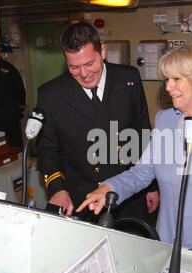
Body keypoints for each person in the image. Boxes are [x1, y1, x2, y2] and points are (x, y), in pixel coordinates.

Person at [78, 43, 192, 261]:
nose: (168, 87)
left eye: (176, 79)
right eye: (166, 80)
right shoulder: (165, 120)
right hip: (169, 238)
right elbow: (142, 172)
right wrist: (109, 187)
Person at [36, 22, 159, 224]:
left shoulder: (129, 78)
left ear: (102, 51)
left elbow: (142, 133)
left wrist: (152, 186)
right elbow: (48, 151)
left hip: (127, 195)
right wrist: (58, 189)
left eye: (89, 63)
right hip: (81, 199)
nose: (84, 74)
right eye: (74, 67)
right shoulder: (51, 94)